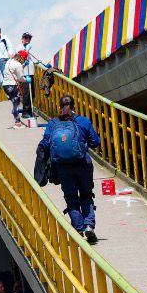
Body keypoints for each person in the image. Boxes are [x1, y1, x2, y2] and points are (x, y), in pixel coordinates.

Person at [38, 95, 101, 243]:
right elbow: (95, 142)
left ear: (59, 106)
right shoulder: (83, 121)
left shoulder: (53, 123)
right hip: (83, 164)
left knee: (71, 198)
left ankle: (78, 230)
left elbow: (46, 143)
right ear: (74, 106)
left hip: (63, 167)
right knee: (86, 194)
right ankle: (89, 226)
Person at [4, 51, 30, 126]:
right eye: (24, 59)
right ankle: (17, 123)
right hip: (12, 85)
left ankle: (16, 116)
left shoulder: (10, 61)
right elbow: (20, 78)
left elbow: (14, 71)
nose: (24, 61)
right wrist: (26, 79)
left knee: (14, 103)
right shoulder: (18, 65)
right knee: (16, 104)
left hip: (5, 85)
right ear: (22, 58)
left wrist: (23, 66)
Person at [19, 31, 35, 112]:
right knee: (27, 93)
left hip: (31, 72)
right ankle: (26, 111)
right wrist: (27, 49)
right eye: (26, 38)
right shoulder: (19, 47)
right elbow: (21, 57)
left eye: (29, 38)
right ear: (22, 39)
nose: (28, 39)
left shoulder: (28, 46)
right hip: (25, 73)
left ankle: (31, 111)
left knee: (32, 93)